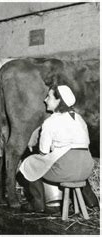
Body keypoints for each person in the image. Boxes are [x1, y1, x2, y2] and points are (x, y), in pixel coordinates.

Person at [20, 85, 98, 213]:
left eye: (49, 97)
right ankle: (92, 201)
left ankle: (38, 204)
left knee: (30, 163)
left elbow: (43, 151)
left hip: (65, 169)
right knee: (76, 165)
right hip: (87, 167)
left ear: (59, 101)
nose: (45, 100)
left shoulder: (51, 121)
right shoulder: (79, 119)